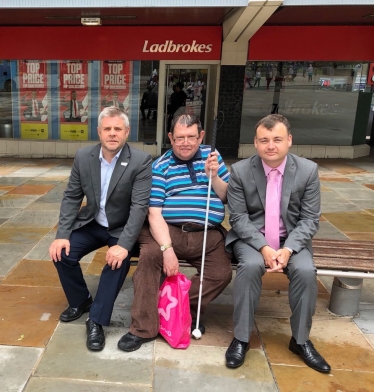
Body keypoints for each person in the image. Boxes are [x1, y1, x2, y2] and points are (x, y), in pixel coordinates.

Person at [224, 114, 331, 374]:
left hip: (291, 240)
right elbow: (237, 217)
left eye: (277, 139)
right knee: (249, 268)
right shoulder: (240, 171)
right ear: (256, 143)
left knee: (306, 272)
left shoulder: (307, 171)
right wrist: (263, 247)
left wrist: (288, 249)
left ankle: (301, 341)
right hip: (252, 239)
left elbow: (309, 219)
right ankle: (241, 338)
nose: (270, 145)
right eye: (264, 140)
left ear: (289, 141)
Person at [117, 114, 233, 352]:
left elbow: (227, 197)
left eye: (191, 137)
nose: (186, 143)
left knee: (221, 273)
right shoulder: (160, 166)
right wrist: (167, 249)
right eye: (179, 138)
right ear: (170, 138)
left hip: (208, 233)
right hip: (168, 230)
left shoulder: (213, 158)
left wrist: (214, 177)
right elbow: (154, 213)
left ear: (201, 136)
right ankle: (143, 327)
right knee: (150, 259)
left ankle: (179, 310)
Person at [49, 106, 152, 352]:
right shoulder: (84, 157)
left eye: (118, 129)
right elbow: (72, 197)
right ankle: (81, 300)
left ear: (127, 132)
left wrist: (124, 246)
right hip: (94, 223)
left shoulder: (140, 161)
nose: (112, 133)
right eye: (108, 128)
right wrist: (62, 235)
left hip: (122, 228)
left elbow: (139, 208)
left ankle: (96, 320)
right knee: (62, 253)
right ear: (99, 132)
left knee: (117, 263)